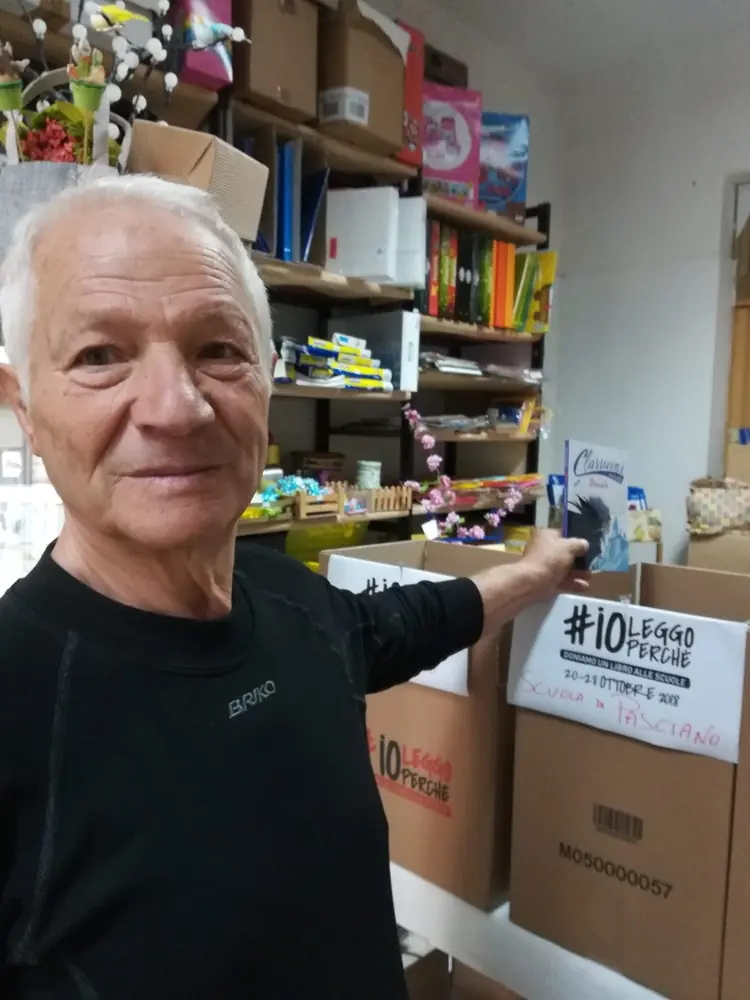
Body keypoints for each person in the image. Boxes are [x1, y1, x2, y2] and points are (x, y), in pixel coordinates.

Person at [0, 175, 587, 1000]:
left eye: (218, 349)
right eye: (100, 356)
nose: (177, 407)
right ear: (23, 406)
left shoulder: (291, 600)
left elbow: (408, 621)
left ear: (267, 381)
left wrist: (534, 572)